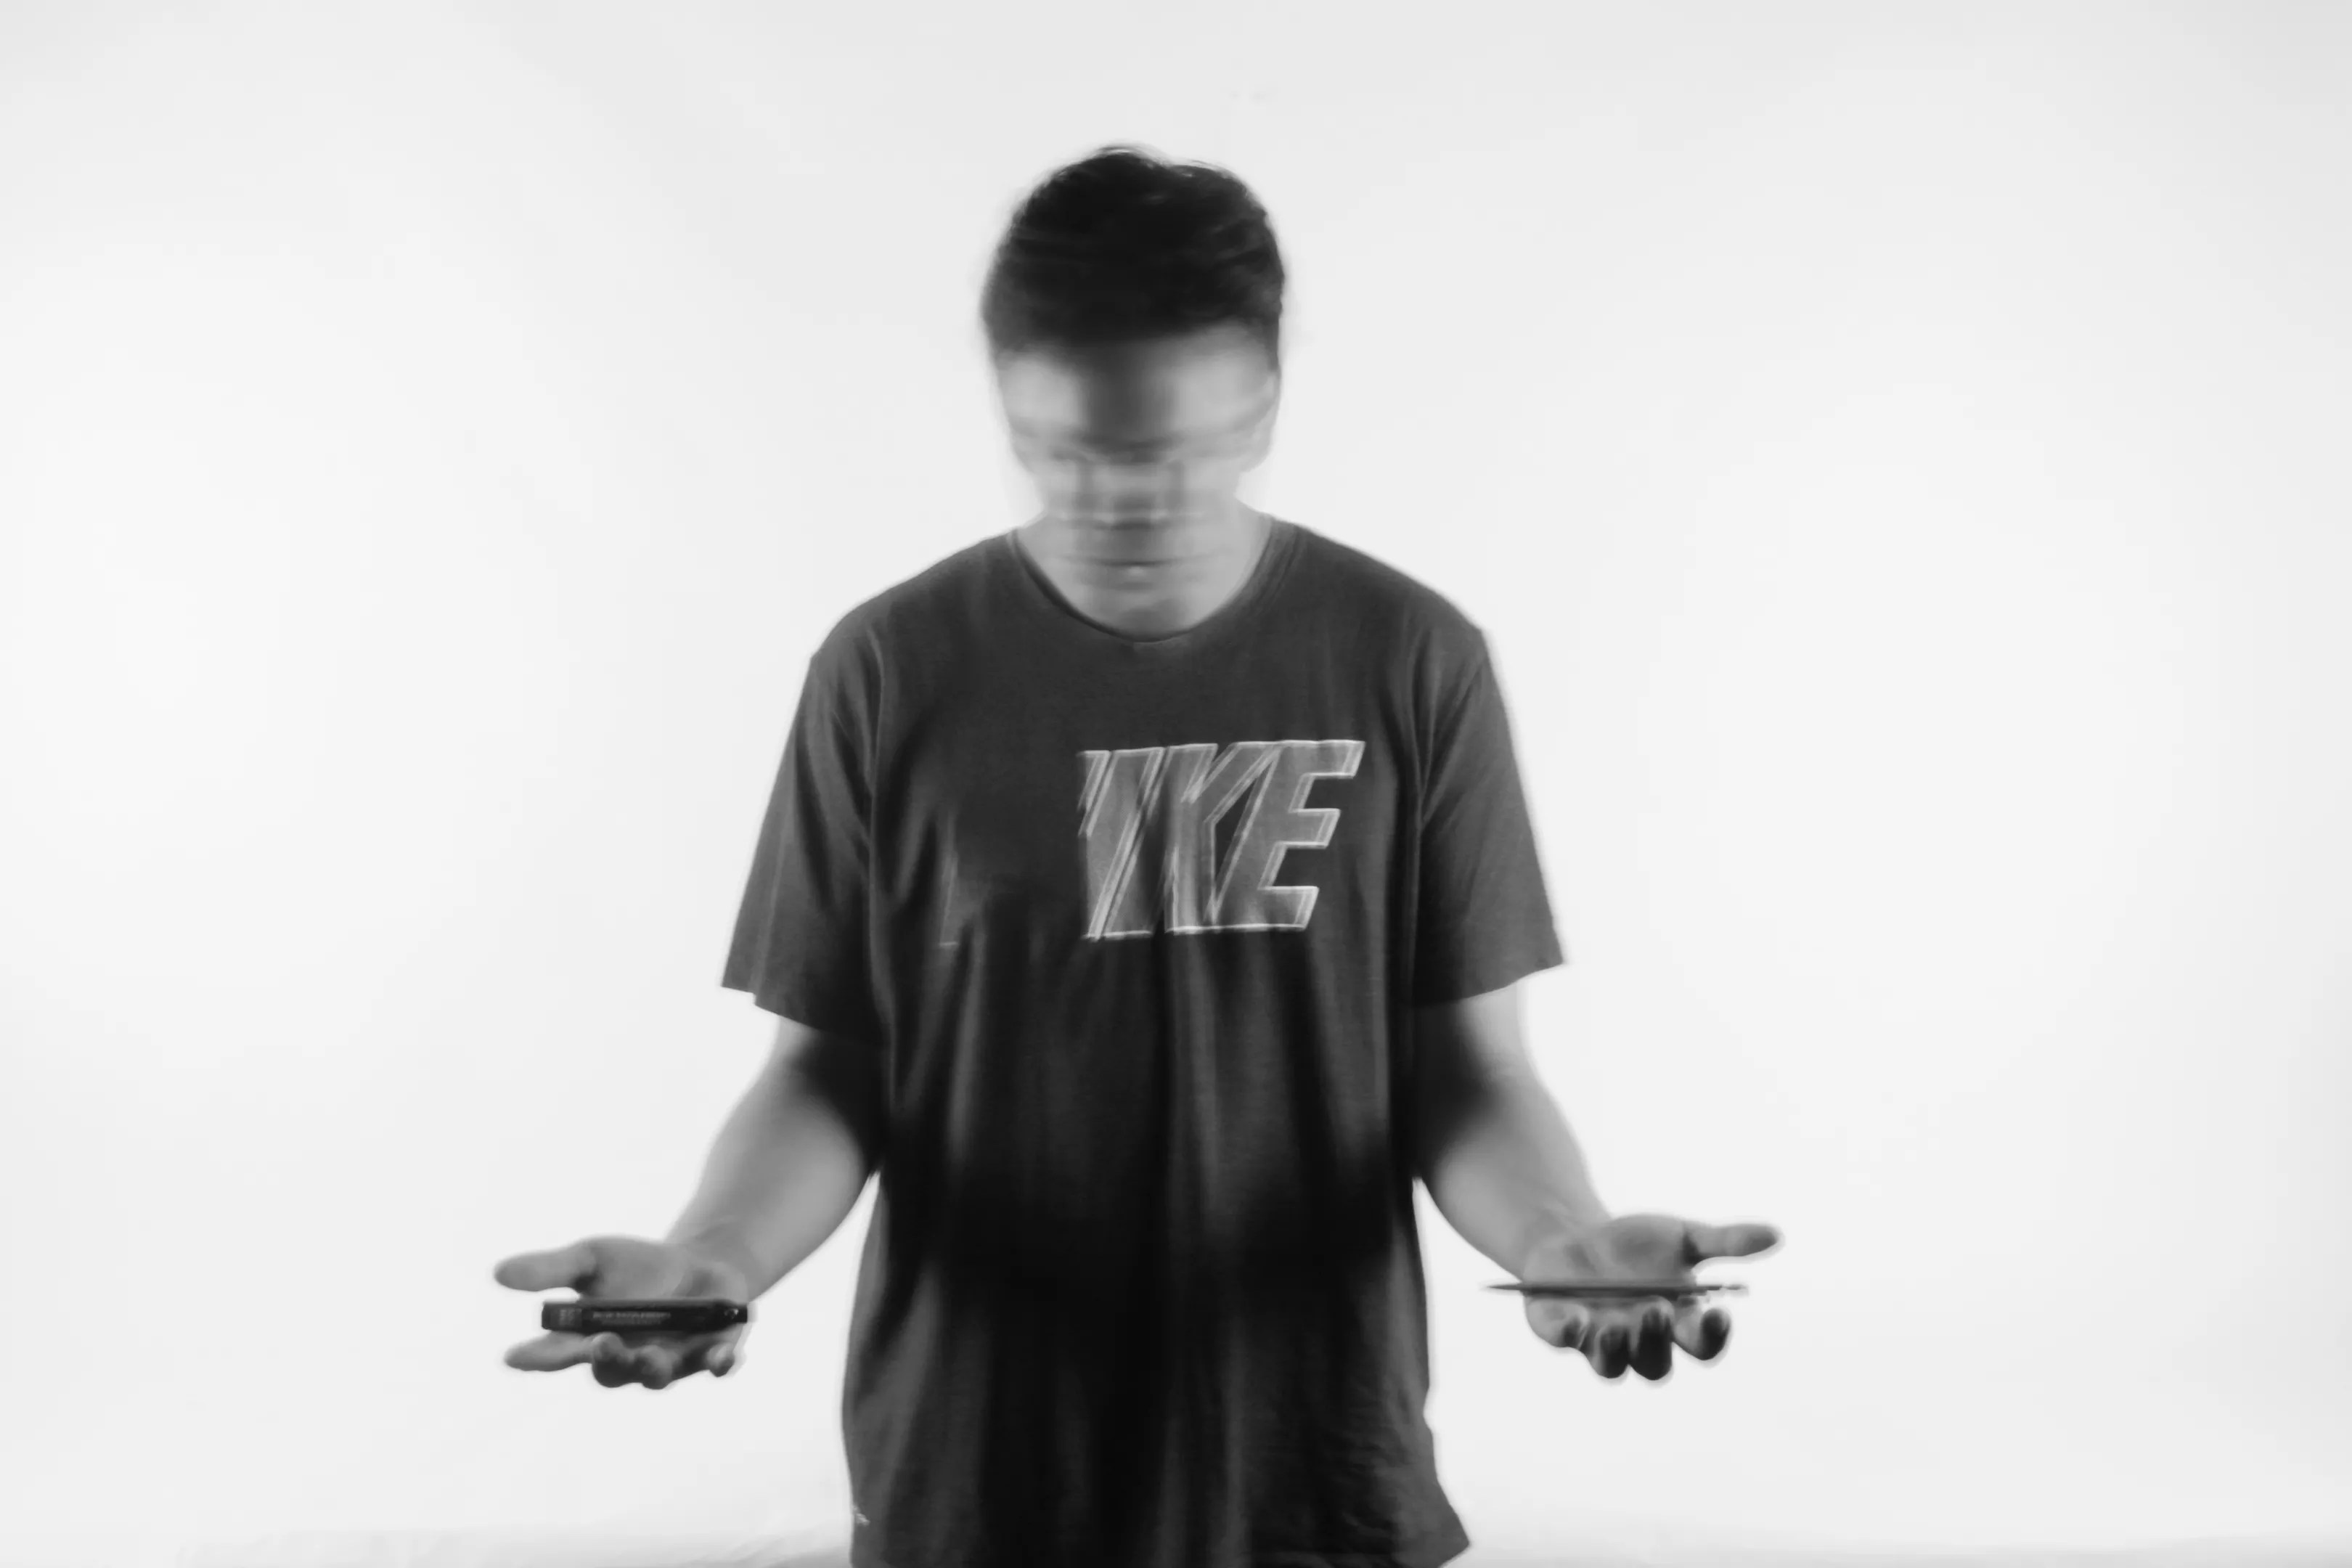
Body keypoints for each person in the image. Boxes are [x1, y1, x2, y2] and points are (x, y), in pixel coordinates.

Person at [494, 142, 1780, 1568]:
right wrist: (712, 1258)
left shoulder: (1411, 660)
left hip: (1313, 1468)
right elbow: (833, 1068)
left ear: (1264, 405)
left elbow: (1464, 1073)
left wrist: (1561, 1241)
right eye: (1064, 453)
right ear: (1008, 406)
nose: (1119, 503)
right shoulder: (890, 671)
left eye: (1172, 453)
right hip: (977, 1472)